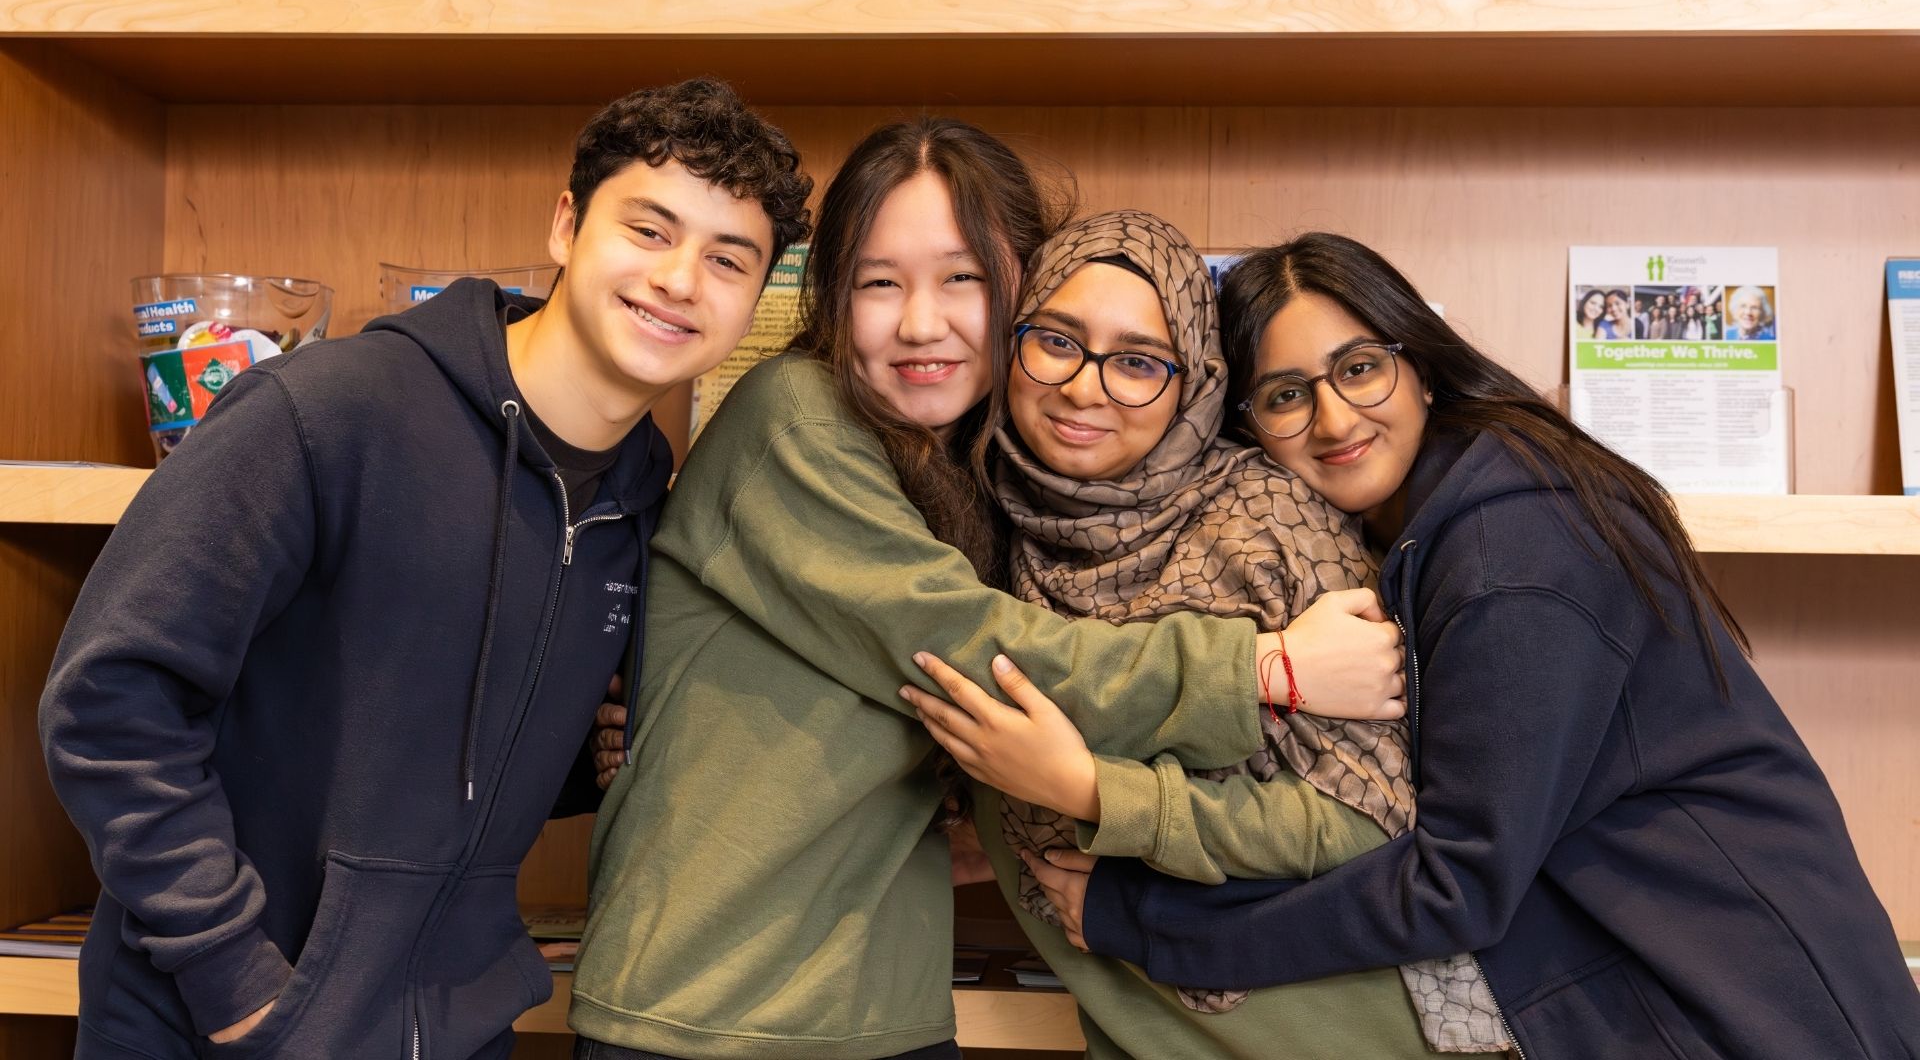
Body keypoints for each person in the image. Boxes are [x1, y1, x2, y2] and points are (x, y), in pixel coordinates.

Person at [915, 231, 1920, 1058]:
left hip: (1748, 1007)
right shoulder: (1417, 529)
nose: (1333, 418)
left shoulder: (1513, 546)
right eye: (1286, 394)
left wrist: (1149, 921)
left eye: (1359, 369)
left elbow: (1453, 883)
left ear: (1423, 368)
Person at [567, 125, 1404, 1060]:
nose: (921, 324)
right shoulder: (794, 414)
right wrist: (1266, 669)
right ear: (831, 291)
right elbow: (973, 650)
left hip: (877, 1003)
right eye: (878, 283)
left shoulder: (992, 483)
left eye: (961, 278)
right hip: (711, 1011)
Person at [38, 79, 814, 1060]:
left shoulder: (640, 503)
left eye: (728, 259)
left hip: (452, 1030)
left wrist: (591, 755)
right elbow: (110, 702)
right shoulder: (328, 414)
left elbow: (443, 745)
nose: (679, 279)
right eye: (649, 230)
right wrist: (234, 982)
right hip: (220, 1027)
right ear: (567, 225)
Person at [906, 211, 1491, 1057]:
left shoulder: (1266, 521)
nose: (1086, 388)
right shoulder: (981, 528)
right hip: (1141, 1027)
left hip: (1333, 1030)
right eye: (1057, 342)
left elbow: (1371, 821)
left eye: (1139, 362)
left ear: (1197, 384)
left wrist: (1098, 794)